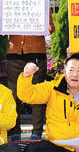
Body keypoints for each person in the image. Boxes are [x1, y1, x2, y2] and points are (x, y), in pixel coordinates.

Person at [5, 10, 55, 141]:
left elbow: (51, 26)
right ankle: (14, 132)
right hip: (13, 53)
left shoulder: (41, 2)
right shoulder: (9, 2)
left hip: (36, 53)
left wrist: (49, 29)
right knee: (13, 96)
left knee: (37, 96)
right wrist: (1, 27)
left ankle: (36, 133)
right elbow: (2, 24)